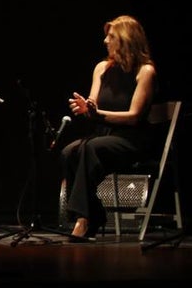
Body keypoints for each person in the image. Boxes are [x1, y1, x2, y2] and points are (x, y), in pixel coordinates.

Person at [60, 14, 157, 240]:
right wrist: (87, 107)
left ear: (125, 39)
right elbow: (93, 103)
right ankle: (93, 214)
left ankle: (84, 219)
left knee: (90, 148)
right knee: (68, 152)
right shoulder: (102, 68)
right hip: (104, 135)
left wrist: (97, 113)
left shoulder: (145, 72)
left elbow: (134, 117)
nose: (105, 41)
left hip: (132, 140)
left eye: (111, 36)